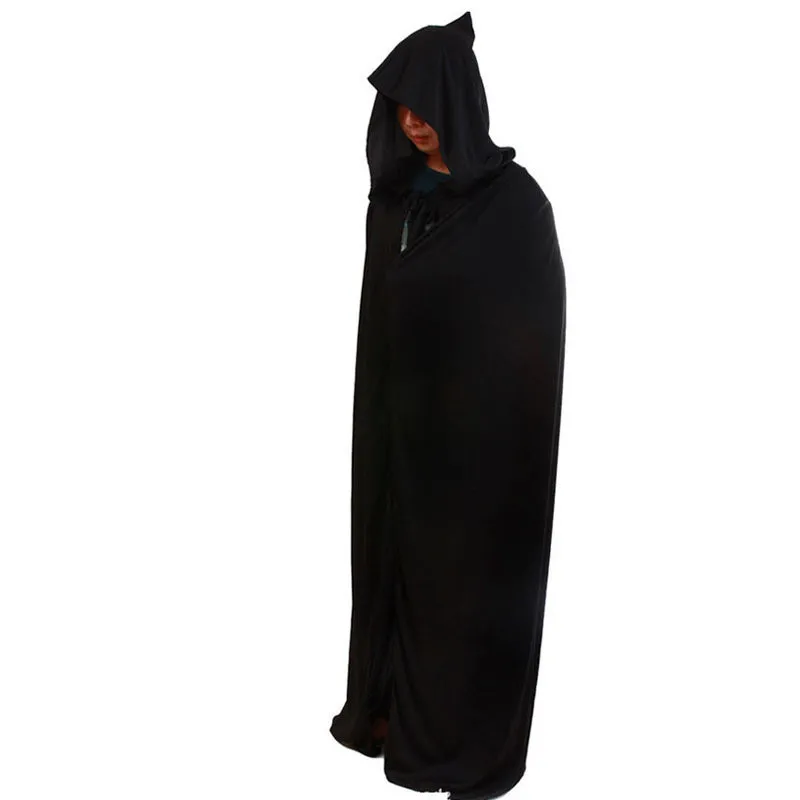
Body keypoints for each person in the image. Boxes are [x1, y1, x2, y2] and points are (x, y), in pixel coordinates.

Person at [330, 11, 566, 800]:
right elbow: (382, 326)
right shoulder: (394, 204)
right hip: (402, 443)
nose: (412, 121)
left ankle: (460, 745)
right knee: (397, 575)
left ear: (461, 101)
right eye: (400, 106)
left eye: (425, 103)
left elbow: (533, 340)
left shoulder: (514, 206)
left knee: (467, 597)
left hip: (480, 458)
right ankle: (392, 717)